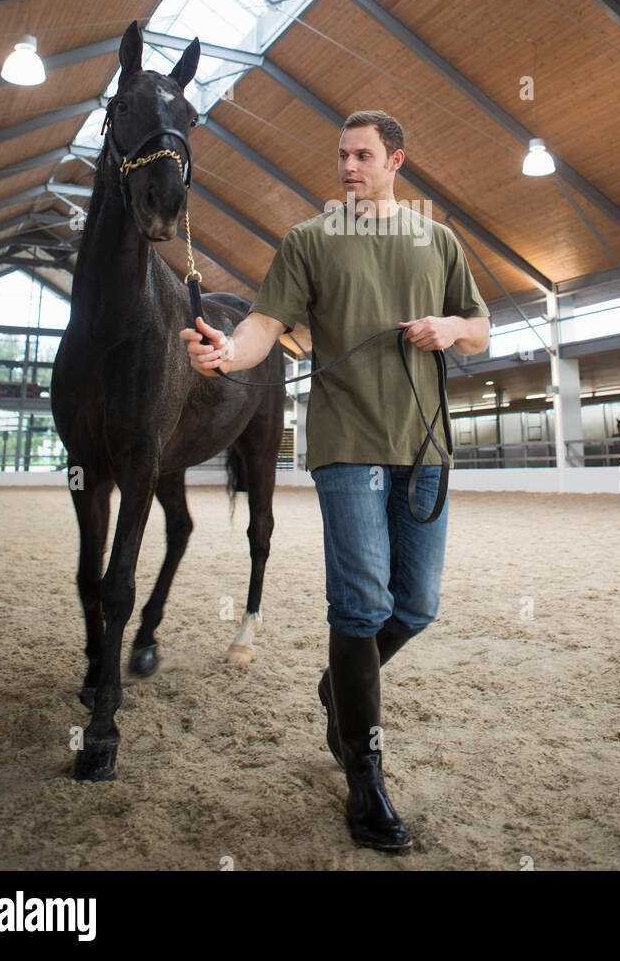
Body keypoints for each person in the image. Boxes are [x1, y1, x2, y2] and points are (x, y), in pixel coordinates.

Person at [180, 110, 489, 854]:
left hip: (425, 445)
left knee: (416, 604)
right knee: (360, 602)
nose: (348, 166)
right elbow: (263, 326)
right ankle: (365, 770)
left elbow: (480, 327)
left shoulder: (438, 240)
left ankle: (339, 690)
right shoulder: (309, 241)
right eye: (341, 155)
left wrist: (449, 331)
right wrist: (226, 353)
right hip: (347, 445)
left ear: (396, 161)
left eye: (362, 155)